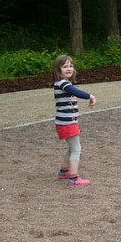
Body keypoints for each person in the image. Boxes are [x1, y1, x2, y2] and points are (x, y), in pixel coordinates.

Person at [52, 55, 97, 187]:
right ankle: (74, 178)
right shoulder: (63, 84)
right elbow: (75, 91)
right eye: (65, 66)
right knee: (76, 149)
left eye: (70, 66)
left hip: (65, 123)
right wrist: (90, 96)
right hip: (67, 124)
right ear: (58, 70)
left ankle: (64, 171)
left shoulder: (63, 83)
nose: (69, 68)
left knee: (72, 148)